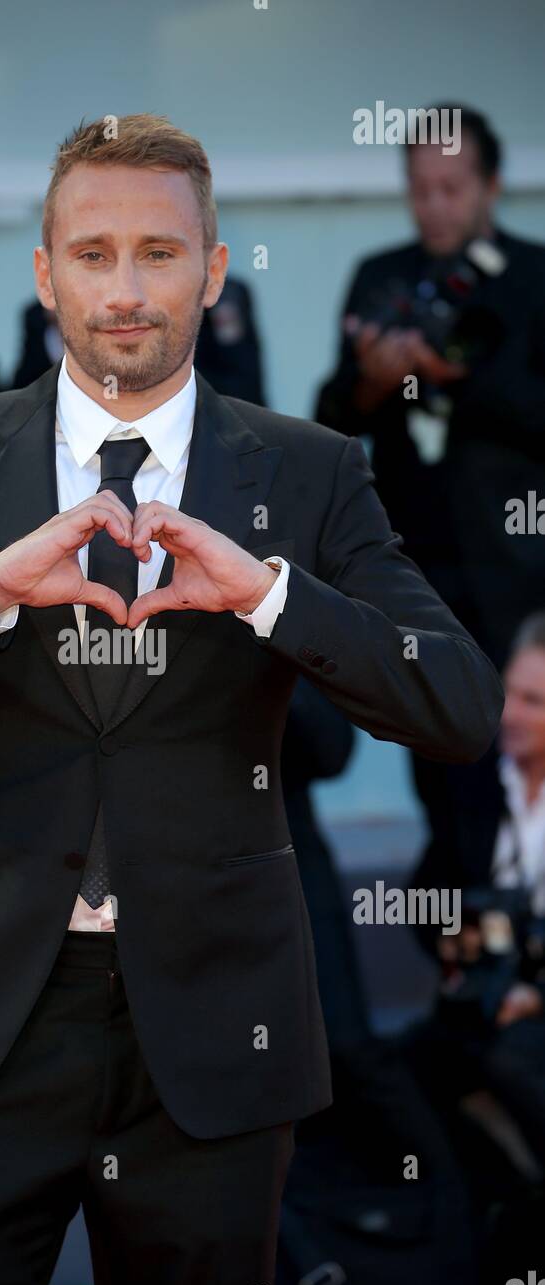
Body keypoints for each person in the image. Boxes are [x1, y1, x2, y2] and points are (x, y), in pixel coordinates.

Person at [0, 113, 503, 1285]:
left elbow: (456, 703)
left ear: (211, 268)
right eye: (92, 253)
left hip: (212, 1033)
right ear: (45, 275)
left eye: (159, 252)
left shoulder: (307, 471)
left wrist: (267, 597)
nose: (126, 287)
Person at [314, 100, 545, 904]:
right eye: (421, 189)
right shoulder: (382, 276)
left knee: (518, 760)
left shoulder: (534, 277)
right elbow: (333, 415)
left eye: (452, 187)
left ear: (491, 185)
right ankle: (461, 967)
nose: (436, 205)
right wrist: (380, 379)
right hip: (411, 566)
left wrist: (457, 376)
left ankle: (513, 962)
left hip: (518, 572)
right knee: (436, 760)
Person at [401, 612, 545, 1173]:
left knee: (513, 1062)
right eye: (507, 691)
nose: (510, 713)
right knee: (399, 1074)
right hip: (479, 1005)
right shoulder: (474, 783)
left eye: (533, 701)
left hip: (529, 1017)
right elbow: (424, 893)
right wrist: (455, 939)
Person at [13, 273, 267, 403]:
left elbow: (242, 385)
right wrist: (61, 331)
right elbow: (24, 390)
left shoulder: (223, 297)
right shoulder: (42, 314)